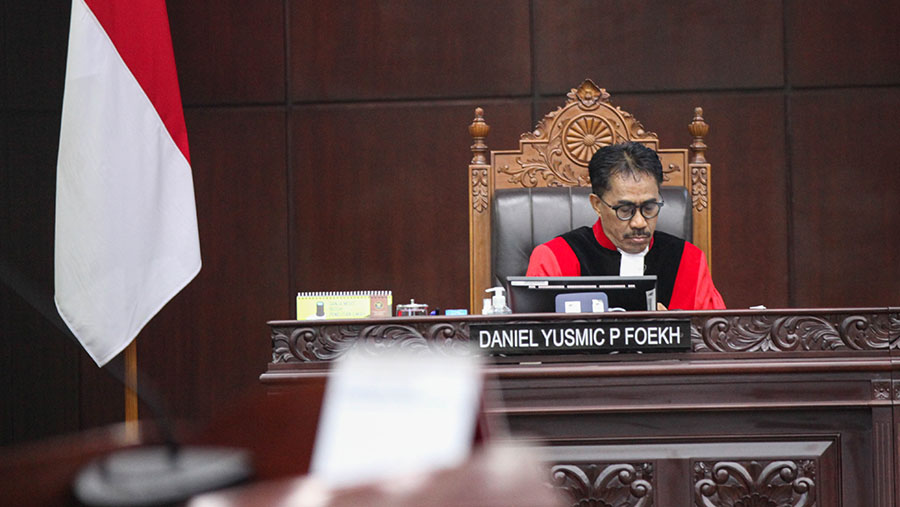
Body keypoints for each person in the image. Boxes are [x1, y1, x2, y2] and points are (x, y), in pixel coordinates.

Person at [526, 142, 725, 310]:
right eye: (625, 210)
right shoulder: (555, 259)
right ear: (597, 205)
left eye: (649, 208)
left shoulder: (688, 261)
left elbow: (713, 340)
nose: (639, 222)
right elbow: (537, 342)